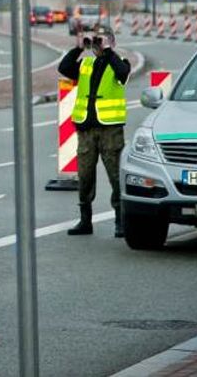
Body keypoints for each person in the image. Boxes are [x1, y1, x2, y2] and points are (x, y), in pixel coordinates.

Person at [57, 25, 131, 238]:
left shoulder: (119, 63)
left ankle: (121, 220)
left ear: (111, 42)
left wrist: (108, 51)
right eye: (96, 41)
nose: (98, 45)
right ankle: (85, 220)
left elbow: (123, 74)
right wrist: (79, 48)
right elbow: (64, 67)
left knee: (116, 177)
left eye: (102, 41)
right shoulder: (86, 64)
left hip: (110, 131)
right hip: (87, 131)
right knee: (85, 176)